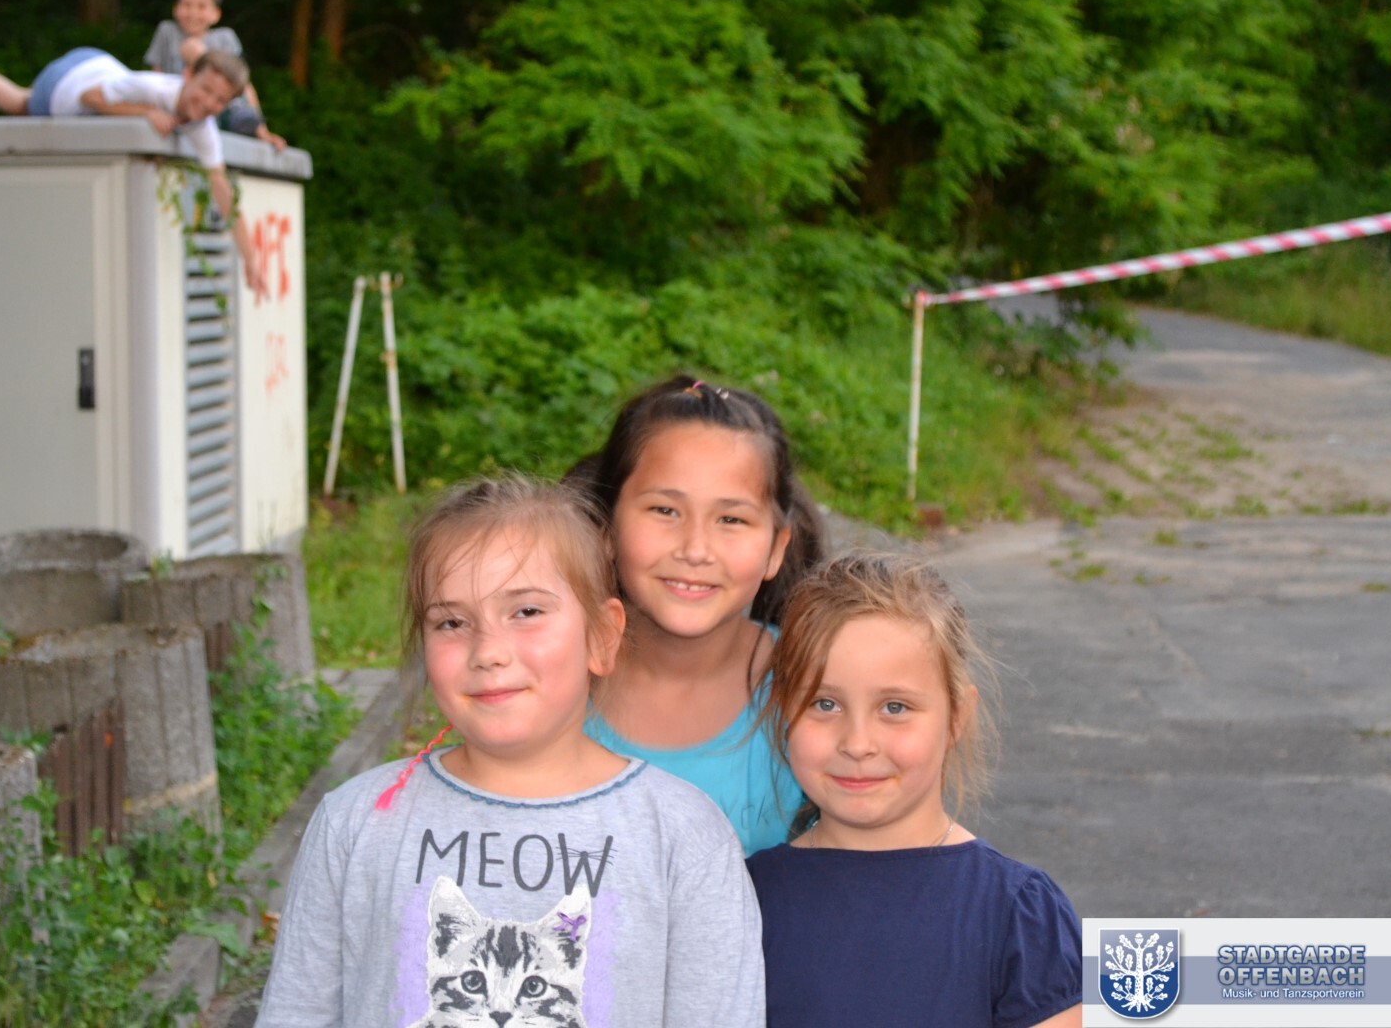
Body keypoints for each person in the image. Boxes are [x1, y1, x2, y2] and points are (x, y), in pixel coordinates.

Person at [254, 476, 764, 1028]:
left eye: (526, 612)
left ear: (601, 637)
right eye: (452, 622)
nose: (488, 651)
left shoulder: (685, 837)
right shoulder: (354, 823)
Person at [746, 551, 1082, 1028]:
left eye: (895, 708)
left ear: (956, 718)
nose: (857, 743)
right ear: (783, 712)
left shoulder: (1021, 914)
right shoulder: (746, 899)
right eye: (824, 703)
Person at [574, 375, 827, 855]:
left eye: (731, 519)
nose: (695, 549)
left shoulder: (813, 688)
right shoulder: (549, 683)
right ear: (605, 526)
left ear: (776, 548)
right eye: (665, 510)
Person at [0, 37, 267, 298]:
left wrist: (250, 259)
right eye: (205, 90)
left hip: (98, 63)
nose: (208, 103)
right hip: (69, 83)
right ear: (187, 76)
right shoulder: (153, 89)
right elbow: (89, 98)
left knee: (19, 102)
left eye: (220, 101)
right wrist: (145, 113)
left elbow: (222, 190)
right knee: (27, 107)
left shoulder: (203, 128)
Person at [144, 0, 286, 151]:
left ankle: (247, 126)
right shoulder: (167, 32)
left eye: (201, 6)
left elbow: (243, 85)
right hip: (178, 108)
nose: (193, 13)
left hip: (219, 113)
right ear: (176, 8)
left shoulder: (225, 38)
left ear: (216, 14)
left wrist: (262, 131)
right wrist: (155, 111)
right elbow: (155, 76)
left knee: (234, 109)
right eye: (187, 5)